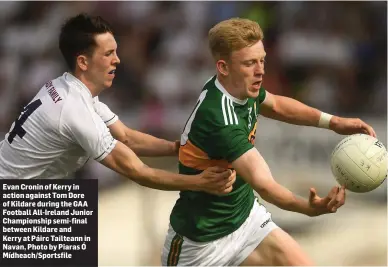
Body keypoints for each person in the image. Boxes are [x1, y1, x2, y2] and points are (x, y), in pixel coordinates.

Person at [161, 18, 377, 266]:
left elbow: (275, 104)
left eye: (262, 60)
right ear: (223, 67)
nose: (260, 70)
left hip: (246, 220)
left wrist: (333, 121)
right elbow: (265, 185)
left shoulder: (238, 86)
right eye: (250, 63)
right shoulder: (220, 120)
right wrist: (307, 208)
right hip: (199, 246)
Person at [0, 13, 237, 196]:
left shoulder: (67, 88)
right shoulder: (74, 110)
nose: (118, 60)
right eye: (108, 54)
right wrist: (199, 183)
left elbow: (126, 137)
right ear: (83, 62)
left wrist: (183, 148)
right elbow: (137, 171)